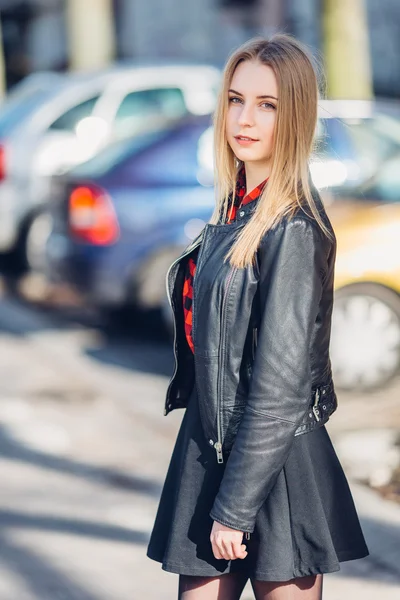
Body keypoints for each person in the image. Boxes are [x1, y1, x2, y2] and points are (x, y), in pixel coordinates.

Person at [146, 33, 369, 599]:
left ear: (294, 116)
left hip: (276, 465)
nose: (245, 118)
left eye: (267, 105)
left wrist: (236, 507)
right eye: (235, 99)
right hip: (211, 445)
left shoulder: (292, 226)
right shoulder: (234, 208)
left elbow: (281, 385)